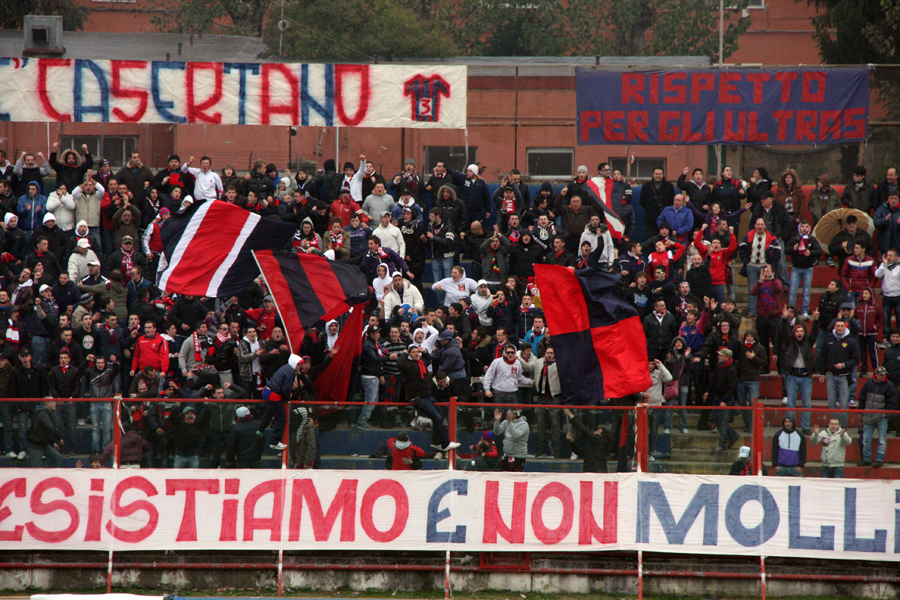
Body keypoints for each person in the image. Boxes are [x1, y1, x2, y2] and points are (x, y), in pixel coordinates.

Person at [395, 345, 460, 452]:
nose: (416, 354)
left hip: (427, 396)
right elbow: (399, 364)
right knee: (437, 418)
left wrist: (425, 352)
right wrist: (405, 353)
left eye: (417, 352)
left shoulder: (421, 363)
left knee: (440, 416)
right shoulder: (407, 365)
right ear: (410, 354)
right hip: (417, 397)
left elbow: (428, 360)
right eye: (413, 352)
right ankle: (445, 444)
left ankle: (436, 442)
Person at [816, 319, 859, 429]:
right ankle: (833, 426)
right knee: (831, 403)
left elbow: (855, 359)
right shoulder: (828, 340)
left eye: (841, 326)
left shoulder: (851, 341)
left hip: (844, 376)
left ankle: (843, 427)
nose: (839, 328)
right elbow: (823, 357)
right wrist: (822, 374)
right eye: (837, 326)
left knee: (844, 404)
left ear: (845, 327)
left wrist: (844, 365)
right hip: (830, 375)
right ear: (834, 327)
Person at [259, 353, 303, 451]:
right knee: (281, 417)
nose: (300, 366)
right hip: (273, 395)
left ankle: (260, 429)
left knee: (271, 410)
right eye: (298, 364)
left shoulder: (285, 367)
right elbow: (286, 389)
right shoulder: (291, 372)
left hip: (267, 391)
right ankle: (275, 442)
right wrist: (288, 397)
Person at [857, 366, 897, 469]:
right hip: (868, 415)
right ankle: (866, 459)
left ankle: (879, 460)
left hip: (881, 417)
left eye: (884, 375)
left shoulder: (889, 386)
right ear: (876, 374)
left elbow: (892, 403)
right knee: (866, 439)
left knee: (882, 440)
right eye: (881, 375)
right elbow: (862, 398)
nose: (883, 377)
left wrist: (885, 414)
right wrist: (861, 412)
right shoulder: (868, 384)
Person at [785, 221, 822, 320]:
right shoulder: (794, 239)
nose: (804, 228)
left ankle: (804, 311)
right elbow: (786, 250)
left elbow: (819, 251)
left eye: (806, 226)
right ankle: (791, 312)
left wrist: (811, 252)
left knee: (806, 292)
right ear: (799, 228)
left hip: (808, 269)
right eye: (802, 226)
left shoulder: (812, 240)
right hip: (796, 269)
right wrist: (793, 249)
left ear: (809, 228)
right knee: (793, 291)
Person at [705, 348, 739, 453]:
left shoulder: (731, 370)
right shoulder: (719, 366)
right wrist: (707, 391)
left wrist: (725, 401)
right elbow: (713, 380)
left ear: (727, 357)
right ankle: (733, 434)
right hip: (717, 396)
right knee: (714, 417)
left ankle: (722, 445)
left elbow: (732, 388)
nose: (718, 357)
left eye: (721, 355)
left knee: (723, 421)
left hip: (725, 398)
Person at [532, 346, 562, 458]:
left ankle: (557, 451)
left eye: (551, 353)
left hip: (554, 397)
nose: (549, 355)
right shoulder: (539, 362)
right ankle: (540, 449)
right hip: (541, 397)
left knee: (555, 425)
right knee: (540, 424)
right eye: (548, 352)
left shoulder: (559, 363)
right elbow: (530, 368)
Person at [563, 408, 610, 473]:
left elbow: (584, 430)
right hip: (589, 469)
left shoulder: (600, 441)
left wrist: (571, 415)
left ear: (602, 435)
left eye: (598, 431)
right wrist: (572, 441)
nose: (594, 432)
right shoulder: (592, 447)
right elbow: (579, 452)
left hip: (597, 469)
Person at [26, 399, 64, 467]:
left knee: (57, 457)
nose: (55, 403)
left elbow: (45, 430)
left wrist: (53, 442)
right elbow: (50, 428)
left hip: (43, 444)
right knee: (35, 468)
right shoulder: (43, 414)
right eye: (53, 402)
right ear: (48, 404)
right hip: (36, 445)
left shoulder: (46, 413)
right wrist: (59, 438)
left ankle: (49, 474)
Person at [875, 250, 900, 345]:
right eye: (887, 255)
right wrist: (884, 265)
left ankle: (898, 339)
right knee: (886, 319)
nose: (888, 257)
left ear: (896, 257)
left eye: (890, 255)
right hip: (886, 297)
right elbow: (877, 275)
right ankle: (886, 338)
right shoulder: (884, 266)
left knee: (899, 319)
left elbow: (894, 275)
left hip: (898, 296)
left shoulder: (898, 267)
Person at [493, 407, 529, 471]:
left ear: (515, 414)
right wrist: (497, 421)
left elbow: (515, 435)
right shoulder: (506, 422)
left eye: (509, 412)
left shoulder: (524, 424)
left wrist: (510, 422)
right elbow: (497, 432)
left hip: (518, 456)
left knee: (515, 477)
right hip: (506, 454)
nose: (507, 414)